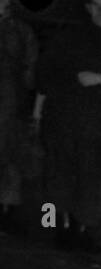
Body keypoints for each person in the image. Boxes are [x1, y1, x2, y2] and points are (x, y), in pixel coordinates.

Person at [34, 0, 101, 253]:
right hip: (63, 123)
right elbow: (43, 76)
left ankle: (83, 230)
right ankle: (56, 227)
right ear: (87, 8)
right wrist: (74, 79)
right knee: (58, 177)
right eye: (95, 5)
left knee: (93, 181)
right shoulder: (66, 39)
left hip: (99, 127)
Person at [0, 0, 37, 233]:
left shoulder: (22, 31)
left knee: (9, 157)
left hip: (10, 105)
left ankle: (5, 211)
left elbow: (30, 71)